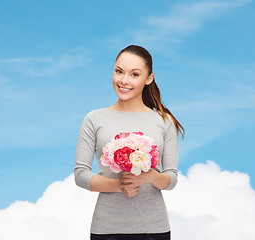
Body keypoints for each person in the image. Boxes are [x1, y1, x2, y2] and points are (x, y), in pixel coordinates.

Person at [74, 45, 185, 240]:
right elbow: (80, 174)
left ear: (149, 78)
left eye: (134, 74)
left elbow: (171, 178)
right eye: (119, 72)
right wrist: (118, 185)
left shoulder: (164, 121)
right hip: (106, 229)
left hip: (154, 230)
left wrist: (150, 177)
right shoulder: (94, 119)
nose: (124, 81)